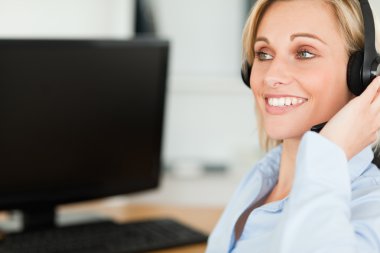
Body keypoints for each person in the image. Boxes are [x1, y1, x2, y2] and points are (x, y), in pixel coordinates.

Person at [206, 0, 380, 252]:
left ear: (362, 76)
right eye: (263, 53)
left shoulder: (371, 207)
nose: (271, 76)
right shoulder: (263, 177)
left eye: (304, 53)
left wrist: (329, 152)